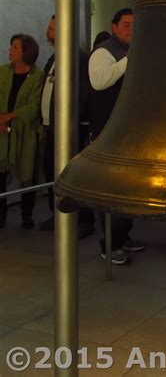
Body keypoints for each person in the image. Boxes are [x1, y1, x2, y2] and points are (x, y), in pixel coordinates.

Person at [89, 8, 144, 265]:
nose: (130, 28)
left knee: (128, 188)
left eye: (134, 24)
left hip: (130, 133)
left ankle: (124, 236)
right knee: (110, 190)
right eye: (125, 24)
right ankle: (110, 244)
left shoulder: (131, 52)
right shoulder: (103, 52)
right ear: (113, 27)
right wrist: (128, 60)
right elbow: (99, 81)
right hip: (108, 132)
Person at [38, 15, 95, 237]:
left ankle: (83, 220)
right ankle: (58, 214)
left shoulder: (79, 58)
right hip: (51, 126)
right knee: (52, 170)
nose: (47, 32)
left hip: (69, 129)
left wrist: (71, 121)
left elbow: (82, 93)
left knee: (73, 174)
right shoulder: (54, 58)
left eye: (52, 29)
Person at [0, 34, 43, 228]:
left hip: (25, 132)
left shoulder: (37, 76)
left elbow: (34, 106)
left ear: (26, 52)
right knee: (0, 172)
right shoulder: (3, 72)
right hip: (2, 131)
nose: (10, 49)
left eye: (15, 47)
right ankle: (1, 215)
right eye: (11, 46)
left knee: (28, 172)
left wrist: (11, 116)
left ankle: (27, 214)